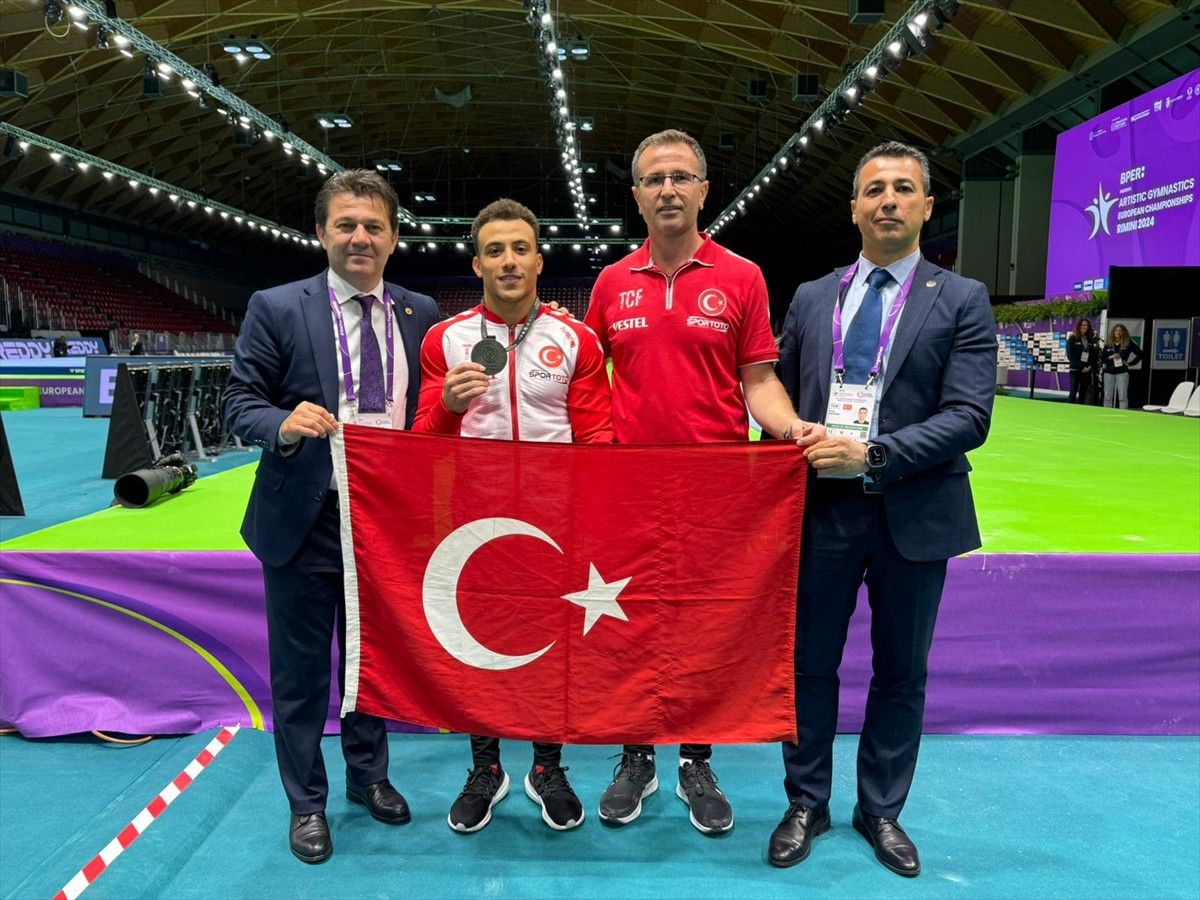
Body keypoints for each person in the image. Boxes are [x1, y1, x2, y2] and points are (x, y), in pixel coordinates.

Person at [584, 129, 823, 835]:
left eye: (681, 177)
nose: (668, 190)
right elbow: (587, 379)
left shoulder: (742, 276)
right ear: (636, 195)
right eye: (654, 179)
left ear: (703, 191)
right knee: (629, 623)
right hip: (628, 489)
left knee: (700, 624)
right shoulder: (610, 282)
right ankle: (637, 756)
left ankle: (695, 758)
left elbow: (759, 381)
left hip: (717, 490)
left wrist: (791, 428)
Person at [771, 141, 996, 876]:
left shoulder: (961, 298)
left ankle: (881, 810)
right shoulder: (812, 298)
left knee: (901, 671)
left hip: (914, 512)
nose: (888, 201)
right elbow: (779, 400)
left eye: (903, 188)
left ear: (928, 205)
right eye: (874, 190)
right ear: (854, 208)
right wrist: (792, 439)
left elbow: (969, 416)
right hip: (820, 514)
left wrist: (871, 454)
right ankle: (806, 802)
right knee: (809, 665)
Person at [222, 170, 440, 864]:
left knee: (369, 663)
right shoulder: (277, 307)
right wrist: (284, 425)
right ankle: (306, 803)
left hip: (385, 525)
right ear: (321, 232)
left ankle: (368, 777)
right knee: (301, 676)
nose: (359, 238)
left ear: (394, 238)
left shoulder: (420, 312)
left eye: (374, 226)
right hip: (305, 519)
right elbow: (239, 403)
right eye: (346, 224)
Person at [413, 198, 613, 834]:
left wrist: (594, 515)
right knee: (479, 646)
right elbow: (421, 443)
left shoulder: (576, 339)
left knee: (550, 646)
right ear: (476, 264)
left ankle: (547, 766)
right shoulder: (444, 340)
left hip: (555, 524)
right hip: (473, 524)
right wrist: (447, 405)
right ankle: (486, 767)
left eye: (520, 249)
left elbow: (598, 438)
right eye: (494, 250)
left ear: (538, 260)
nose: (508, 261)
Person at [1102, 323, 1143, 409]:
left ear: (1124, 332)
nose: (1118, 332)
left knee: (1122, 397)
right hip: (1109, 372)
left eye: (1120, 331)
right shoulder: (1109, 343)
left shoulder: (1128, 343)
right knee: (1107, 397)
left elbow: (1140, 354)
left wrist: (1130, 363)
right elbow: (1102, 358)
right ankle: (1106, 414)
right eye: (1116, 330)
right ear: (1113, 332)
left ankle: (1123, 414)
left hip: (1122, 373)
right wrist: (1111, 357)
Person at [1066, 317, 1097, 405]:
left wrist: (1089, 367)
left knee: (1083, 394)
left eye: (1087, 325)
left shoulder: (1090, 340)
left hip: (1086, 371)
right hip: (1075, 370)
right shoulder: (1072, 338)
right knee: (1073, 393)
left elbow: (1093, 356)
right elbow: (1070, 356)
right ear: (1079, 326)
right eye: (1083, 325)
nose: (1085, 327)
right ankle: (1068, 411)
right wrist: (1082, 367)